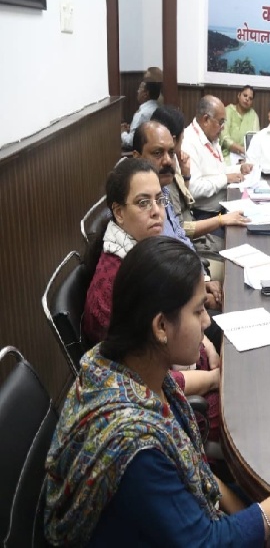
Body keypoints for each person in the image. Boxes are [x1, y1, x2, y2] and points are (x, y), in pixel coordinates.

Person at [45, 236, 270, 547]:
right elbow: (207, 542)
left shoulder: (119, 366)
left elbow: (201, 476)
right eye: (198, 310)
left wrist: (256, 516)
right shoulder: (136, 447)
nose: (206, 322)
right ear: (160, 327)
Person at [81, 159, 222, 439]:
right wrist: (213, 379)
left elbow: (182, 313)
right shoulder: (112, 291)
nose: (157, 212)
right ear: (119, 213)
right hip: (169, 404)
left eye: (159, 200)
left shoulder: (142, 252)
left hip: (187, 370)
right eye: (144, 203)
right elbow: (142, 382)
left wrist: (206, 343)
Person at [133, 117, 250, 280]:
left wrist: (202, 276)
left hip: (189, 267)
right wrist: (201, 281)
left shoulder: (163, 192)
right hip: (177, 281)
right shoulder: (140, 204)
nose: (168, 160)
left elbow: (179, 235)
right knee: (237, 276)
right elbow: (164, 263)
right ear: (137, 157)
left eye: (171, 152)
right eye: (158, 153)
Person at [181, 95, 253, 223]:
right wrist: (226, 179)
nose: (223, 127)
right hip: (204, 216)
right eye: (220, 122)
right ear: (206, 119)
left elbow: (219, 171)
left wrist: (239, 168)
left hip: (222, 210)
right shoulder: (189, 142)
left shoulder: (211, 137)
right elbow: (193, 189)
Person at [220, 85, 260, 162]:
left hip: (247, 156)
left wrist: (247, 156)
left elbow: (256, 140)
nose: (247, 99)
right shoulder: (228, 111)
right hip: (227, 154)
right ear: (238, 95)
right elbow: (224, 138)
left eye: (250, 98)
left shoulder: (254, 116)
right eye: (245, 95)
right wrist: (241, 150)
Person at [121, 80, 160, 149]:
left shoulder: (141, 114)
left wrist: (123, 132)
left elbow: (131, 142)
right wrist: (131, 128)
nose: (137, 91)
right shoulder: (159, 108)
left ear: (146, 94)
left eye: (140, 89)